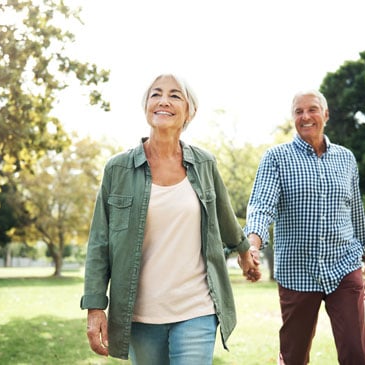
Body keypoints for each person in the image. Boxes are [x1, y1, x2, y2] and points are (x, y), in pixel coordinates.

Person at [80, 73, 261, 364]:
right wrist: (95, 307)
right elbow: (100, 243)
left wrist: (243, 252)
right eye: (156, 94)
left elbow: (224, 217)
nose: (164, 100)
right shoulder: (118, 169)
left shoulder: (204, 164)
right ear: (146, 107)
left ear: (189, 111)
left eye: (175, 95)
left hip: (196, 308)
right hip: (139, 314)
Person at [244, 89, 365, 365]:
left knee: (356, 353)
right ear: (293, 118)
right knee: (294, 356)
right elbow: (261, 206)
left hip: (344, 266)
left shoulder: (346, 159)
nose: (305, 116)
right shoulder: (276, 158)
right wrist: (252, 245)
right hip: (297, 271)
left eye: (312, 109)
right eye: (298, 111)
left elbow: (356, 214)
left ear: (326, 114)